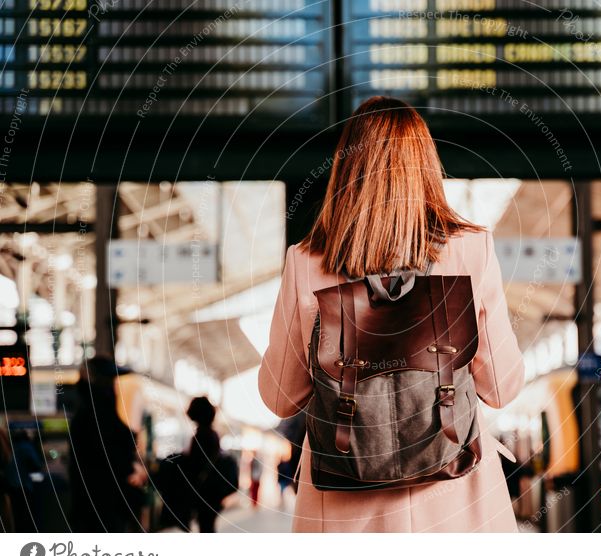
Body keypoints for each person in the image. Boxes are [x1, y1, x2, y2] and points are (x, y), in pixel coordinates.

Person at [257, 96, 526, 532]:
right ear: (426, 167)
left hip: (345, 517)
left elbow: (279, 397)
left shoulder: (305, 262)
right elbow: (502, 386)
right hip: (457, 512)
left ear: (347, 171)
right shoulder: (470, 250)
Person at [69, 356, 148, 532]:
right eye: (112, 382)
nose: (116, 389)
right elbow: (114, 457)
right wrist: (132, 469)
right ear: (100, 385)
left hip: (92, 512)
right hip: (104, 512)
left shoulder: (86, 415)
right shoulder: (97, 418)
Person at [184, 396, 223, 533]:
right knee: (208, 527)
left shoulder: (200, 437)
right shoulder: (214, 435)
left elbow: (194, 466)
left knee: (205, 527)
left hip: (204, 492)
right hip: (214, 492)